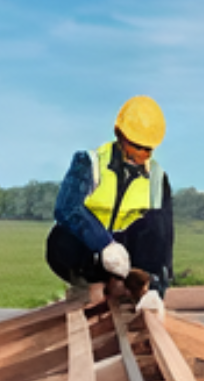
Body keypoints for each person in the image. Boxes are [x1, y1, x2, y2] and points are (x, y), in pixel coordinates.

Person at [46, 95, 174, 311]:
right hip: (90, 250)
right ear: (119, 134)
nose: (142, 154)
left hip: (129, 255)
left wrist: (158, 288)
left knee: (155, 224)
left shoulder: (157, 178)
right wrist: (103, 244)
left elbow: (164, 237)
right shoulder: (89, 163)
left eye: (147, 149)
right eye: (136, 146)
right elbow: (66, 208)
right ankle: (90, 286)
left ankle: (142, 290)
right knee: (61, 239)